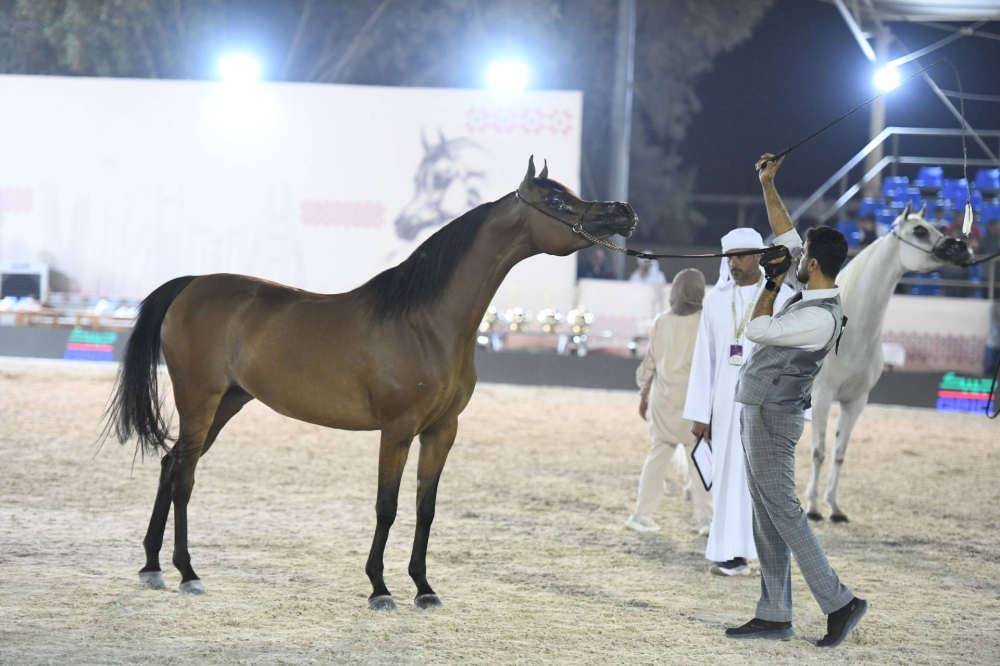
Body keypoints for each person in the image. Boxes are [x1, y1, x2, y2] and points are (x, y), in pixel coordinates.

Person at [725, 153, 866, 648]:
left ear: (813, 263)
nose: (794, 254)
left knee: (782, 511)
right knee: (766, 513)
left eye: (801, 253)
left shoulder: (818, 317)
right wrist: (768, 184)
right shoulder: (812, 290)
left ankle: (840, 602)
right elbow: (785, 231)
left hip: (771, 416)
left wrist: (769, 280)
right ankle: (774, 614)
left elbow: (758, 329)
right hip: (761, 409)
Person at [683, 227, 793, 576]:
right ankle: (731, 555)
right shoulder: (715, 300)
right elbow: (704, 359)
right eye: (729, 257)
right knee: (727, 479)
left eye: (741, 256)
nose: (734, 263)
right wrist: (701, 413)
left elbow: (796, 359)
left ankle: (767, 557)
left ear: (759, 257)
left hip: (766, 406)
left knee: (763, 482)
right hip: (725, 409)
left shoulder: (783, 298)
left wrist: (793, 410)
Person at [626, 269, 709, 534]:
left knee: (657, 457)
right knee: (700, 461)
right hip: (693, 403)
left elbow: (650, 361)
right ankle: (706, 519)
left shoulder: (661, 321)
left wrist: (644, 394)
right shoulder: (705, 321)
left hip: (662, 400)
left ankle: (641, 514)